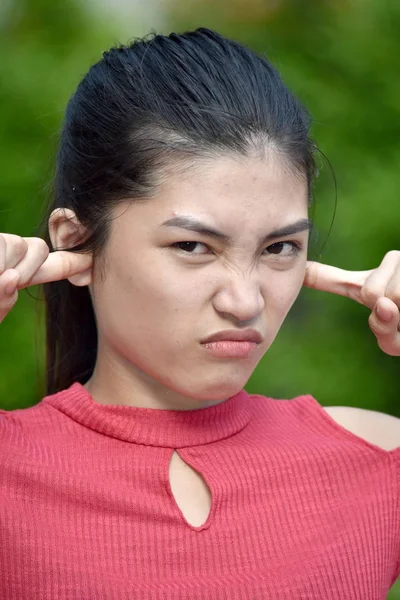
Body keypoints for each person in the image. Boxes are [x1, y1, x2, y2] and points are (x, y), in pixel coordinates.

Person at [0, 27, 399, 599]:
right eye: (193, 247)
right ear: (77, 242)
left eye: (278, 248)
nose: (245, 301)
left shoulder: (376, 459)